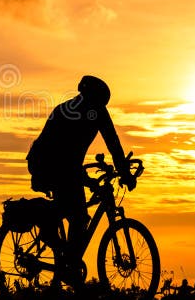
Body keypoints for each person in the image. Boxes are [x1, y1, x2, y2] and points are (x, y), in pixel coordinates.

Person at [25, 74, 135, 271]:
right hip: (48, 164)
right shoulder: (69, 114)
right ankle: (67, 259)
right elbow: (64, 158)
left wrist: (123, 171)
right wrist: (118, 175)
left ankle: (66, 258)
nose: (98, 106)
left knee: (73, 211)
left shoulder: (92, 111)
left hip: (60, 165)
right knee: (78, 217)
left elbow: (113, 143)